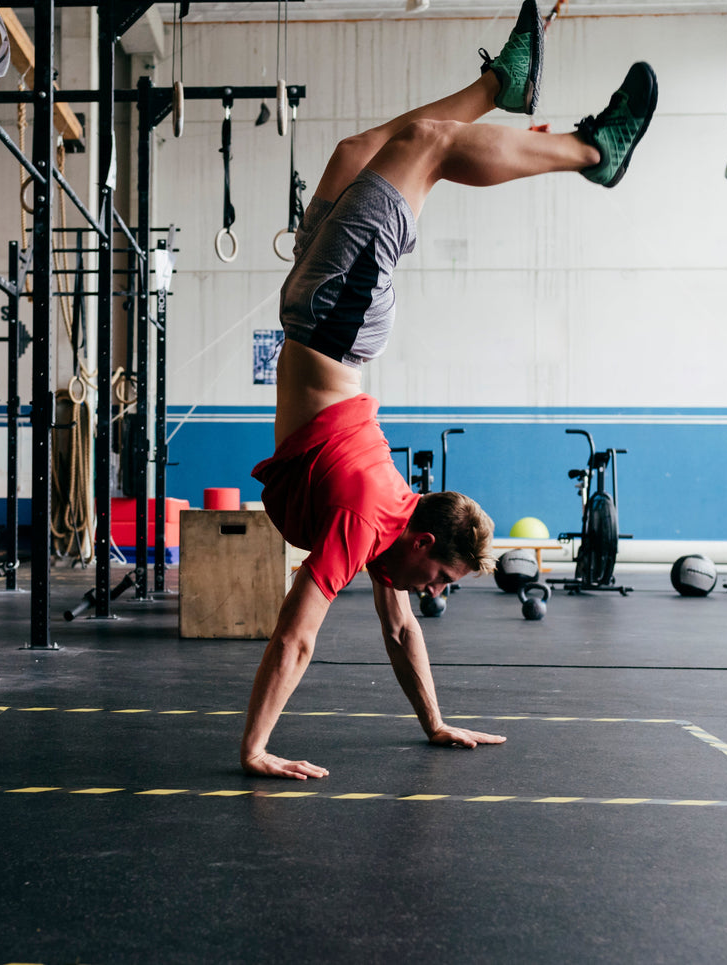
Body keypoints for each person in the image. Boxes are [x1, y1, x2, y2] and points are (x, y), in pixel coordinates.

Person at [240, 0, 659, 780]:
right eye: (438, 580)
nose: (429, 595)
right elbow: (297, 634)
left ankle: (502, 84)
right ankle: (588, 150)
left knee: (369, 148)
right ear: (423, 542)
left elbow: (398, 629)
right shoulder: (373, 516)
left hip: (314, 307)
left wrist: (434, 722)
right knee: (419, 147)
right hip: (333, 319)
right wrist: (255, 746)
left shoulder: (382, 527)